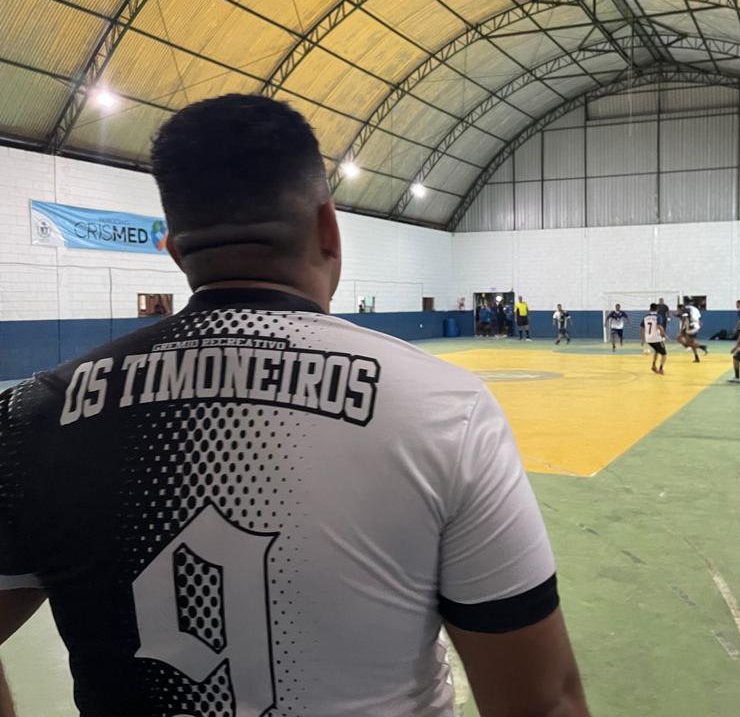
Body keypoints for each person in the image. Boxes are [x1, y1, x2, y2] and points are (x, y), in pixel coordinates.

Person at [0, 95, 588, 717]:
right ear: (329, 230)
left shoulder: (32, 418)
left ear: (174, 250)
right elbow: (543, 702)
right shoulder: (446, 411)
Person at [643, 303, 668, 374]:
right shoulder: (658, 316)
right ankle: (661, 369)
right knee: (664, 354)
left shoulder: (645, 317)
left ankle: (653, 365)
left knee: (656, 350)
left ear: (650, 309)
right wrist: (664, 335)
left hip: (648, 339)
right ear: (657, 309)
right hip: (656, 338)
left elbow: (641, 328)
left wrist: (642, 339)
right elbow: (659, 326)